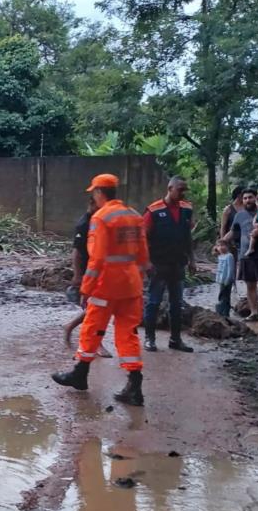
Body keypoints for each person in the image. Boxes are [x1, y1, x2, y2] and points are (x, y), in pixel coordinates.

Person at [52, 173, 149, 407]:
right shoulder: (134, 216)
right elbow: (144, 254)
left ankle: (80, 374)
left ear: (98, 193)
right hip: (131, 285)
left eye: (93, 193)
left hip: (106, 286)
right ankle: (134, 385)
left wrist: (86, 287)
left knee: (92, 329)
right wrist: (139, 278)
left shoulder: (101, 218)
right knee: (128, 333)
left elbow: (97, 259)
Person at [142, 176, 195, 353]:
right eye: (180, 189)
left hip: (178, 262)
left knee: (176, 302)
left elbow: (188, 236)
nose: (182, 193)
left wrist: (192, 260)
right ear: (170, 188)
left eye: (184, 190)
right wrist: (146, 262)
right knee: (154, 301)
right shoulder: (153, 210)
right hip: (158, 263)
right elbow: (143, 238)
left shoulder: (187, 209)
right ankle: (149, 338)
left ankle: (175, 339)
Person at [63, 198, 111, 357]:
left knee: (96, 308)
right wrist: (77, 275)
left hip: (99, 271)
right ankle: (97, 344)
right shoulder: (84, 224)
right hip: (87, 273)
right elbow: (76, 252)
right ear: (91, 204)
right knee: (96, 310)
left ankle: (70, 327)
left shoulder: (100, 220)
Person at [223, 188, 258, 321]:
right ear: (242, 200)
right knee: (250, 285)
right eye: (245, 198)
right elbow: (233, 232)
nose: (248, 200)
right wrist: (222, 241)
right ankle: (254, 313)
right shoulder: (239, 215)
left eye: (250, 197)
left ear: (257, 198)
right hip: (246, 255)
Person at [214, 238, 235, 317]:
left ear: (227, 246)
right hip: (221, 280)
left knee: (224, 296)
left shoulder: (229, 256)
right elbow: (219, 269)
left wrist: (228, 279)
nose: (221, 247)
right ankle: (223, 312)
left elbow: (231, 269)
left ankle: (224, 312)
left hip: (227, 280)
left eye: (223, 245)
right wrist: (217, 278)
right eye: (219, 246)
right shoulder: (220, 256)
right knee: (222, 295)